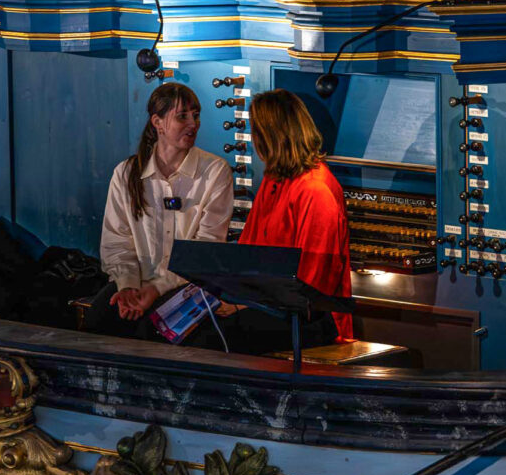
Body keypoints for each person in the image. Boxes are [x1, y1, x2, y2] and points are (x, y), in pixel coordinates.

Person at [85, 82, 234, 338]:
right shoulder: (126, 173)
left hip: (187, 286)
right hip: (136, 282)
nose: (193, 124)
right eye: (182, 116)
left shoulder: (215, 171)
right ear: (158, 122)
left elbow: (205, 250)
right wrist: (127, 286)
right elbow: (117, 242)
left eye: (196, 116)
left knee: (151, 333)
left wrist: (157, 288)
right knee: (96, 326)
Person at [217, 88, 353, 352]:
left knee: (217, 336)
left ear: (271, 137)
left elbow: (310, 284)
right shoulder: (275, 178)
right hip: (271, 306)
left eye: (256, 132)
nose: (253, 141)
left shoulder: (316, 191)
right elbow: (248, 252)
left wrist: (245, 304)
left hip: (311, 320)